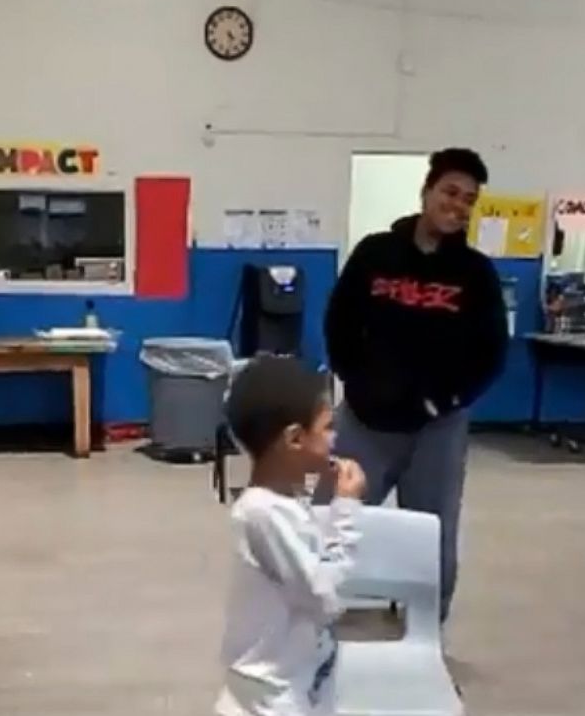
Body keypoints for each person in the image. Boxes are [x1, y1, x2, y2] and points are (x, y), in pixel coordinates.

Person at [322, 147, 507, 624]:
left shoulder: (476, 275)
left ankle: (424, 636)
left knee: (433, 537)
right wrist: (356, 382)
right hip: (364, 422)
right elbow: (339, 323)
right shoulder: (374, 254)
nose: (458, 205)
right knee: (330, 522)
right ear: (427, 192)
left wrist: (442, 401)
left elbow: (491, 354)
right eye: (450, 192)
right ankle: (312, 625)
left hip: (437, 430)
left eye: (469, 199)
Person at [216, 355, 367, 716]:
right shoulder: (263, 514)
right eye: (327, 427)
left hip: (297, 683)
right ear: (295, 439)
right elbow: (324, 599)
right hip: (270, 699)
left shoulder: (284, 502)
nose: (335, 438)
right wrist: (346, 510)